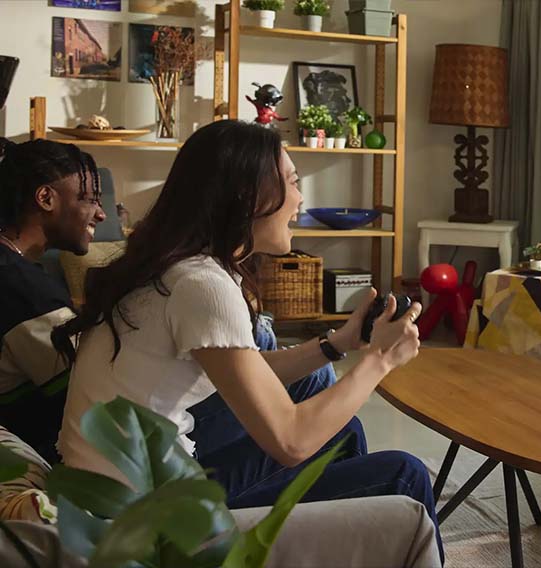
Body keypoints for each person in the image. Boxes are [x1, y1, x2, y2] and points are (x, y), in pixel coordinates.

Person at [54, 120, 442, 558]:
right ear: (248, 196)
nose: (300, 199)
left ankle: (340, 541)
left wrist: (339, 344)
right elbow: (291, 441)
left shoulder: (178, 266)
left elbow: (246, 371)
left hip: (120, 496)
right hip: (149, 526)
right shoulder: (201, 285)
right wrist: (380, 359)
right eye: (293, 183)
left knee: (343, 432)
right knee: (405, 475)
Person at [0, 138, 105, 464]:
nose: (100, 213)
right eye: (88, 199)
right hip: (59, 458)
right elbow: (94, 396)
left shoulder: (14, 270)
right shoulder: (22, 289)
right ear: (46, 198)